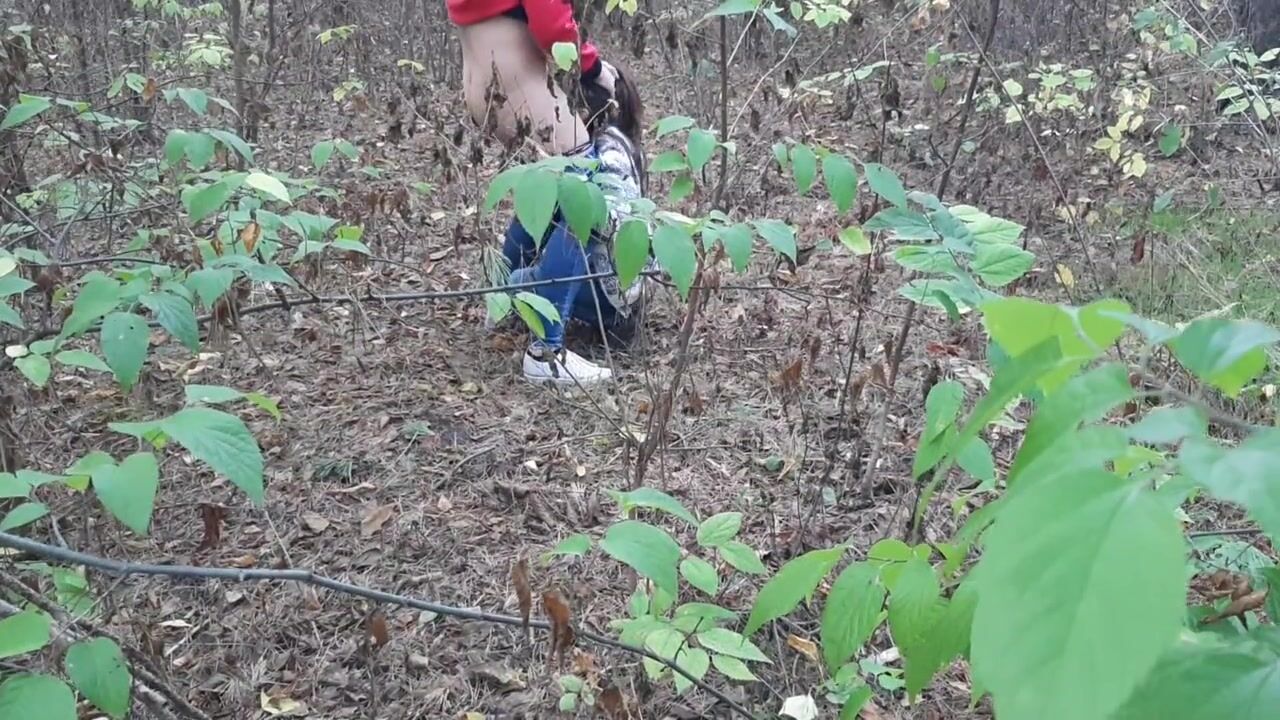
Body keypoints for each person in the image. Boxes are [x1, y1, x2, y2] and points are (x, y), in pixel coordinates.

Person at [497, 115, 652, 386]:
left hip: (614, 300)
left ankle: (546, 350)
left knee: (577, 213)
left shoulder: (607, 154)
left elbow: (594, 220)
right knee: (542, 191)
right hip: (612, 286)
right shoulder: (606, 142)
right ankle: (499, 297)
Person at [447, 0, 621, 154]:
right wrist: (595, 70)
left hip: (483, 95)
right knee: (586, 174)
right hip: (521, 98)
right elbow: (554, 29)